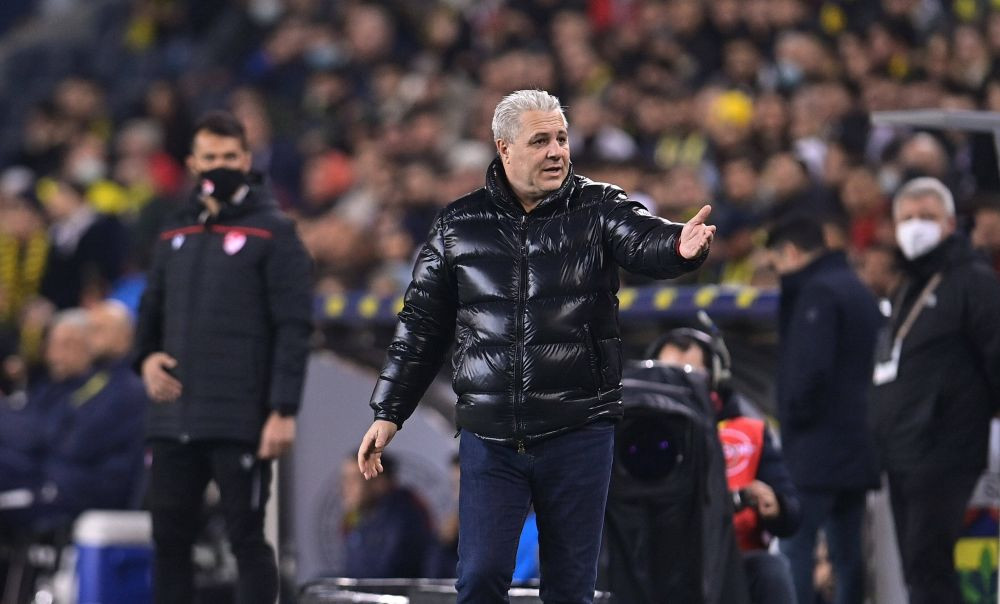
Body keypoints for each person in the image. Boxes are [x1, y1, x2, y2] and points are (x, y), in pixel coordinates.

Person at [356, 89, 715, 603]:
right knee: (479, 578)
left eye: (562, 139)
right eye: (540, 140)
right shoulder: (458, 225)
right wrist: (389, 411)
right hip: (491, 435)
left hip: (579, 428)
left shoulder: (598, 206)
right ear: (504, 148)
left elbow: (644, 239)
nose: (556, 152)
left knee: (570, 589)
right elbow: (421, 326)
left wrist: (678, 247)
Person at [134, 111, 313, 604]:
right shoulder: (173, 231)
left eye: (230, 156)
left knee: (247, 540)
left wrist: (283, 410)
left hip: (240, 418)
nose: (220, 165)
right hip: (172, 416)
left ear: (247, 160)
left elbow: (294, 326)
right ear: (193, 163)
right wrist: (145, 359)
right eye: (210, 157)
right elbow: (149, 310)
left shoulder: (275, 231)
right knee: (169, 542)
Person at [870, 177, 1000, 604]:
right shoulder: (907, 283)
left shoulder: (973, 280)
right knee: (917, 567)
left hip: (945, 446)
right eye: (907, 218)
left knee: (928, 565)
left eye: (927, 216)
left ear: (949, 224)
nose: (916, 226)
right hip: (903, 448)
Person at [765, 216, 882, 604]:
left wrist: (794, 419)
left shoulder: (817, 292)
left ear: (790, 252)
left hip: (817, 448)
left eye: (776, 265)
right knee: (847, 552)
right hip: (858, 442)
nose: (778, 275)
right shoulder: (856, 287)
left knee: (795, 545)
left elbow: (810, 371)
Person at [651, 327, 801, 604]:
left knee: (770, 571)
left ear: (715, 379)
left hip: (732, 562)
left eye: (690, 375)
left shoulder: (748, 433)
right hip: (658, 566)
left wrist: (775, 505)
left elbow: (791, 514)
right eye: (668, 375)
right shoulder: (636, 434)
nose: (678, 386)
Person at [0, 309, 145, 531]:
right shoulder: (60, 385)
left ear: (126, 335)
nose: (92, 338)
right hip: (54, 475)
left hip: (80, 488)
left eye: (98, 330)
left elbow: (69, 443)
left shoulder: (125, 388)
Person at [339, 453, 434, 579]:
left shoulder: (404, 517)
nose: (346, 488)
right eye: (345, 480)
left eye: (354, 479)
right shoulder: (362, 516)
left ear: (380, 482)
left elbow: (385, 575)